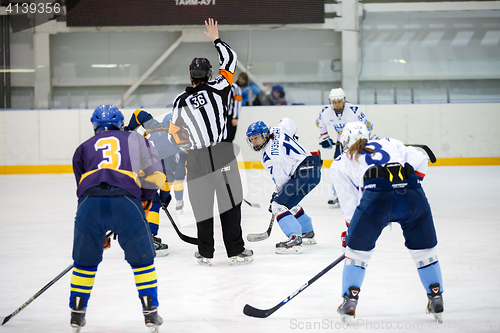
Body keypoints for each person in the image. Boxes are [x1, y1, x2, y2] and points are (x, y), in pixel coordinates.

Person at [330, 122, 444, 324]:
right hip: (412, 195)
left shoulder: (340, 161)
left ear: (344, 141)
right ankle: (436, 297)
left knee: (357, 253)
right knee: (425, 251)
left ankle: (350, 301)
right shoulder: (390, 142)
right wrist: (409, 188)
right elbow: (422, 158)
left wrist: (352, 233)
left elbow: (349, 202)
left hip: (377, 200)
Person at [70, 105, 165, 332]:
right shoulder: (135, 139)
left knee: (84, 263)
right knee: (142, 260)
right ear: (120, 124)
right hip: (126, 201)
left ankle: (77, 313)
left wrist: (97, 231)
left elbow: (83, 190)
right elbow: (158, 174)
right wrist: (142, 199)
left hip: (89, 205)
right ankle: (150, 312)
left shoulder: (82, 148)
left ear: (94, 127)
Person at [168, 18, 252, 266]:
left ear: (191, 76)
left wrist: (191, 146)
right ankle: (235, 251)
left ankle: (205, 253)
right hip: (222, 153)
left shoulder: (180, 100)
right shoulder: (219, 87)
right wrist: (216, 40)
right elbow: (231, 60)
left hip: (196, 159)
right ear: (208, 74)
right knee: (230, 203)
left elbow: (174, 133)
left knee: (202, 207)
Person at [246, 118, 323, 254]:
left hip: (302, 175)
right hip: (314, 169)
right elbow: (288, 121)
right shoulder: (278, 129)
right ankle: (307, 232)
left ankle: (295, 239)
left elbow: (282, 181)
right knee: (288, 204)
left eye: (256, 138)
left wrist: (277, 197)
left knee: (278, 205)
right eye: (251, 139)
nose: (253, 142)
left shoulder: (268, 156)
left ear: (264, 134)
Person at [125, 109, 189, 255]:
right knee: (153, 201)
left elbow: (139, 113)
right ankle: (149, 238)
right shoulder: (174, 149)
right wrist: (165, 198)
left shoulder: (154, 126)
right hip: (143, 175)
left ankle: (139, 236)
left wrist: (128, 129)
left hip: (130, 171)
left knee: (144, 202)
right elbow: (166, 179)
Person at [316, 88, 378, 207]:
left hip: (358, 141)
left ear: (344, 100)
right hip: (342, 140)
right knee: (337, 166)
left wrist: (372, 139)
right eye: (334, 102)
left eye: (339, 101)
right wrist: (324, 137)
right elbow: (319, 123)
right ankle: (337, 193)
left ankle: (365, 190)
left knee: (360, 164)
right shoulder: (325, 111)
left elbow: (368, 124)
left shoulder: (354, 111)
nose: (337, 104)